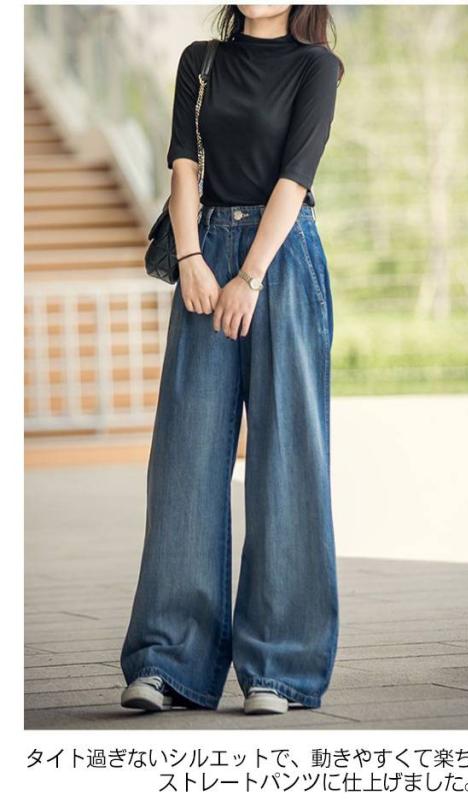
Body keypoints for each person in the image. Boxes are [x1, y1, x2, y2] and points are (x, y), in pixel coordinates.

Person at [119, 4, 343, 716]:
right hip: (205, 254)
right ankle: (167, 661)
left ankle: (280, 667)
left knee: (287, 459)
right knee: (184, 458)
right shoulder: (202, 60)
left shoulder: (318, 68)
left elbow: (294, 180)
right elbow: (184, 164)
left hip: (282, 259)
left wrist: (250, 276)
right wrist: (190, 257)